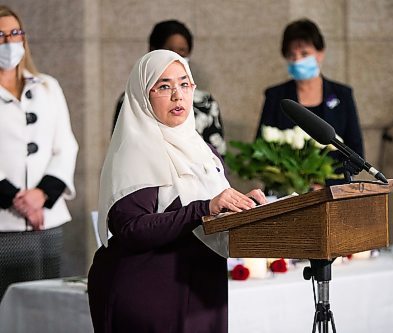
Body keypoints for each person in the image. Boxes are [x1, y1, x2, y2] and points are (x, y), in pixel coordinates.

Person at [88, 50, 266, 332]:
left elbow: (215, 209)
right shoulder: (135, 151)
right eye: (164, 86)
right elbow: (132, 229)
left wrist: (247, 207)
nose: (177, 95)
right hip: (149, 293)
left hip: (203, 289)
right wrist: (202, 208)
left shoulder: (203, 151)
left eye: (184, 84)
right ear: (142, 95)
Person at [0, 6, 78, 299]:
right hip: (3, 220)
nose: (10, 41)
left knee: (44, 303)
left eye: (15, 33)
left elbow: (66, 146)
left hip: (47, 218)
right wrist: (17, 199)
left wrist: (42, 194)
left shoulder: (47, 86)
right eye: (1, 35)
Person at [255, 19, 364, 185]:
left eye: (304, 54)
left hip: (332, 190)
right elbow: (260, 147)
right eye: (292, 55)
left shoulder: (342, 95)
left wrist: (324, 182)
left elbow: (355, 149)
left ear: (320, 53)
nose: (297, 61)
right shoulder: (275, 96)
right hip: (287, 193)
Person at [113, 19, 226, 155]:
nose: (177, 97)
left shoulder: (205, 102)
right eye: (164, 87)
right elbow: (121, 147)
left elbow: (217, 153)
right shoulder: (132, 100)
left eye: (182, 51)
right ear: (153, 51)